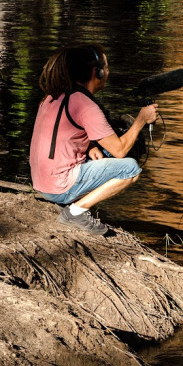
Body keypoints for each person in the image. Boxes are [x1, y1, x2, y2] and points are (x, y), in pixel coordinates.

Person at [29, 45, 158, 235]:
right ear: (95, 72)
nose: (107, 72)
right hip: (59, 187)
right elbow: (120, 151)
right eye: (105, 67)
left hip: (41, 183)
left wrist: (89, 146)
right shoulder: (86, 106)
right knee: (130, 168)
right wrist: (140, 121)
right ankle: (75, 212)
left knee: (103, 149)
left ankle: (74, 202)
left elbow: (62, 133)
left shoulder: (52, 95)